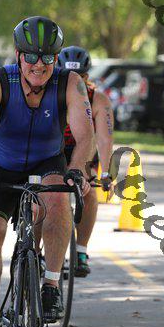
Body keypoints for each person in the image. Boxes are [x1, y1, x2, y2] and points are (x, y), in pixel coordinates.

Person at [0, 16, 95, 327]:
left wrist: (76, 169)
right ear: (18, 55)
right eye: (31, 56)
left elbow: (85, 135)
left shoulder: (69, 83)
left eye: (48, 57)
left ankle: (51, 283)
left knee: (57, 198)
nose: (39, 65)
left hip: (46, 163)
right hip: (0, 166)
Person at [57, 46, 114, 276]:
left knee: (89, 192)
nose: (73, 81)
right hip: (55, 149)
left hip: (84, 151)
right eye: (67, 75)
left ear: (87, 77)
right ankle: (39, 252)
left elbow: (104, 138)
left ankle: (81, 250)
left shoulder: (97, 99)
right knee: (50, 196)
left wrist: (106, 173)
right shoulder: (50, 93)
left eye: (79, 77)